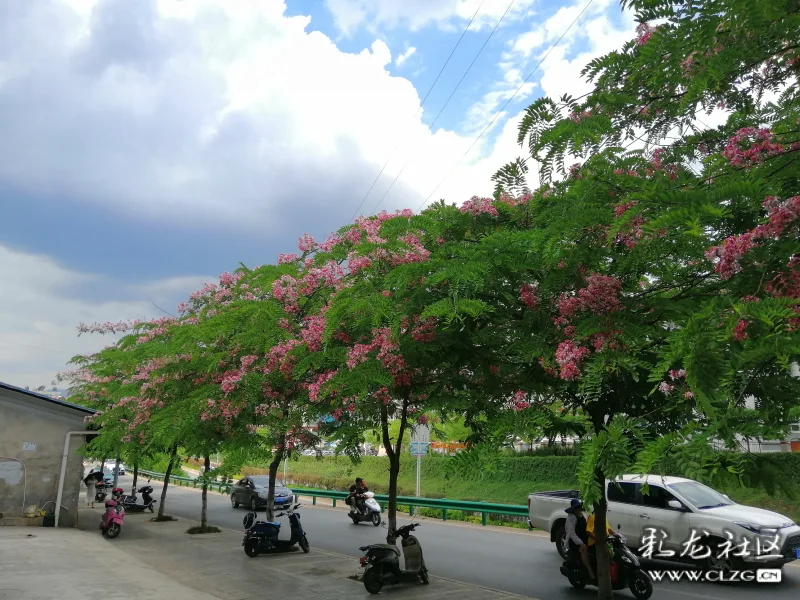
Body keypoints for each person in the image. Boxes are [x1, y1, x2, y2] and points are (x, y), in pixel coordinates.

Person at [565, 498, 595, 581]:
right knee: (584, 549)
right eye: (577, 508)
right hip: (574, 541)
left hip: (584, 538)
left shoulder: (583, 515)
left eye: (580, 508)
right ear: (574, 509)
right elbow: (571, 533)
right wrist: (581, 543)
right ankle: (590, 572)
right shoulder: (571, 518)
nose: (579, 510)